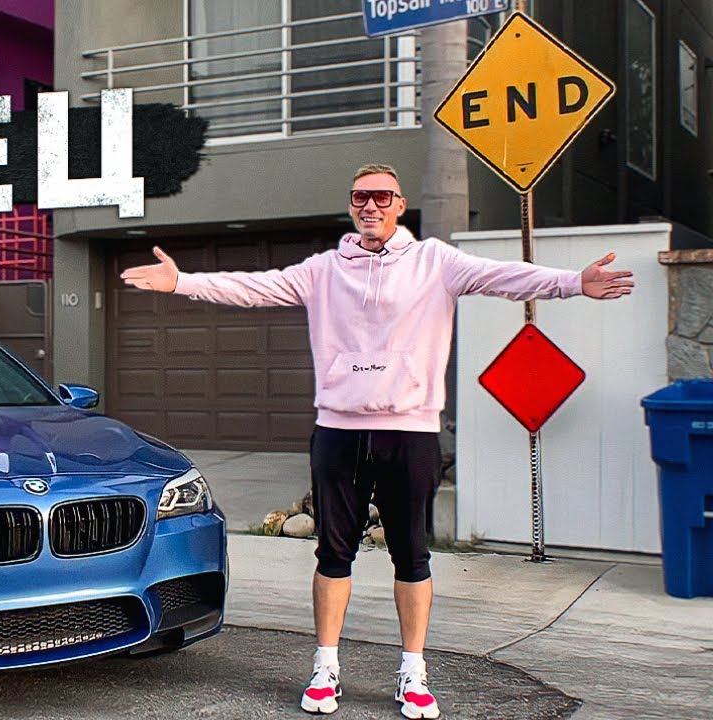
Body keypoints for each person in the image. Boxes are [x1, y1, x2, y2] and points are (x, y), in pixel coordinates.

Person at [120, 163, 633, 718]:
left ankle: (414, 671)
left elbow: (504, 276)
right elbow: (253, 288)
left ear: (399, 204)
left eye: (382, 197)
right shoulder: (323, 270)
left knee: (411, 556)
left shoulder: (435, 262)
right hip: (338, 432)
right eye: (361, 196)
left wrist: (572, 283)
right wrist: (184, 282)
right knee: (332, 555)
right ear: (352, 205)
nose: (371, 205)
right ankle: (325, 667)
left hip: (410, 432)